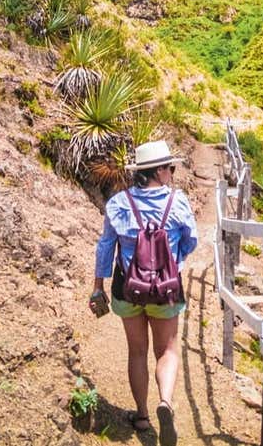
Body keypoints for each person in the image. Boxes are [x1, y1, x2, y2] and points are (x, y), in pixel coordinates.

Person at [91, 140, 198, 446]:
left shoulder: (118, 202)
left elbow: (105, 247)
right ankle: (165, 401)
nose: (172, 173)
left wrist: (98, 287)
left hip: (129, 289)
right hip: (166, 290)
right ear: (160, 171)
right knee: (167, 351)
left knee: (136, 350)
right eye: (170, 168)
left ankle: (141, 415)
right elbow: (190, 241)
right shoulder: (177, 203)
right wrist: (171, 262)